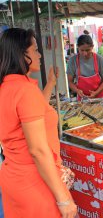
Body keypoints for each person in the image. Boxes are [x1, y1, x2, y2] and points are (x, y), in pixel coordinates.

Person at [0, 28, 78, 218]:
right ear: (21, 54)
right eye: (35, 50)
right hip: (36, 182)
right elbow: (38, 150)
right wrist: (63, 198)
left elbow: (34, 114)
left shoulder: (7, 87)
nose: (40, 55)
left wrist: (50, 83)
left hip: (13, 179)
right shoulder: (25, 90)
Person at [67, 34, 103, 100]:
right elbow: (70, 82)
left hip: (101, 96)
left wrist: (96, 92)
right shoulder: (72, 61)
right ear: (78, 47)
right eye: (82, 50)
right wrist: (77, 90)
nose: (85, 53)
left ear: (92, 47)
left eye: (87, 50)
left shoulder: (100, 59)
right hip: (83, 98)